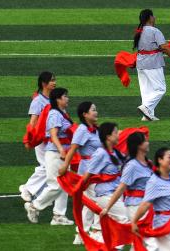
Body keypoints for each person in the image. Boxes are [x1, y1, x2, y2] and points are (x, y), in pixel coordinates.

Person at [25, 86, 75, 225]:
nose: (68, 99)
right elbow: (53, 135)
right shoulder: (54, 114)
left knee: (64, 185)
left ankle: (58, 215)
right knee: (55, 185)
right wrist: (61, 150)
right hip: (55, 154)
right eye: (65, 96)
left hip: (61, 154)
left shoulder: (62, 113)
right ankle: (34, 206)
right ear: (58, 99)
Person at [58, 101, 103, 242]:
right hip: (88, 171)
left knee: (90, 203)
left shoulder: (95, 129)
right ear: (85, 114)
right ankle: (96, 231)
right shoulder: (82, 130)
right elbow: (73, 148)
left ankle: (81, 234)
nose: (96, 112)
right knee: (99, 200)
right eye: (93, 110)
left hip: (97, 170)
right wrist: (65, 166)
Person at [101, 130, 153, 228]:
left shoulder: (148, 163)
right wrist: (107, 208)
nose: (148, 143)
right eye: (146, 141)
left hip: (146, 205)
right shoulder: (132, 166)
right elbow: (121, 188)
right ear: (139, 145)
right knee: (143, 235)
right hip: (136, 207)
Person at [19, 72, 56, 204]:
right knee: (47, 166)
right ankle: (28, 189)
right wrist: (30, 139)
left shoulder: (53, 99)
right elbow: (33, 122)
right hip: (41, 139)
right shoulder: (38, 101)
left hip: (52, 138)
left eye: (54, 80)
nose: (54, 83)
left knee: (50, 166)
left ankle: (40, 193)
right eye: (52, 80)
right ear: (44, 83)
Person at [133, 8, 170, 121]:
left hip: (141, 63)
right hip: (153, 63)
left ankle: (147, 116)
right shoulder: (155, 31)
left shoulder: (139, 31)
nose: (155, 18)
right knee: (160, 89)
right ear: (150, 18)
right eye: (153, 16)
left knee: (146, 90)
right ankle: (146, 107)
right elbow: (164, 47)